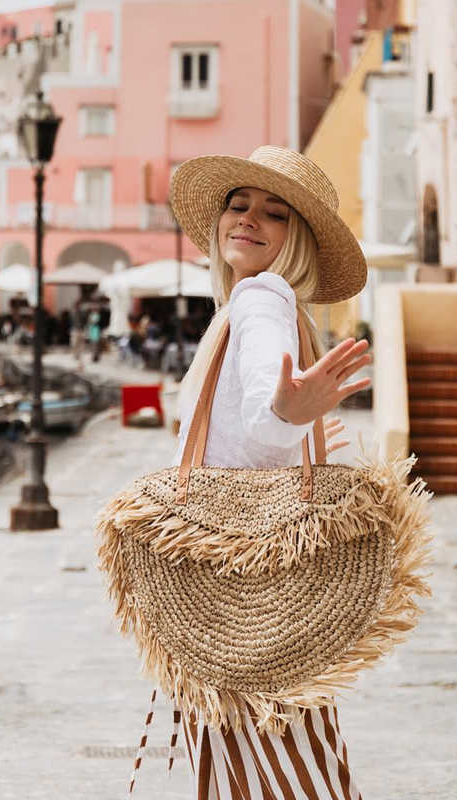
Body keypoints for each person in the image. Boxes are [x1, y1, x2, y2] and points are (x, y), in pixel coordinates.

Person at [168, 146, 371, 799]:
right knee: (283, 757)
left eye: (274, 213)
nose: (248, 219)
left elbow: (265, 404)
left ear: (297, 243)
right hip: (262, 573)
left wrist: (287, 410)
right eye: (239, 203)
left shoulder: (260, 296)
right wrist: (293, 419)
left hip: (236, 574)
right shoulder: (248, 308)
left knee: (251, 757)